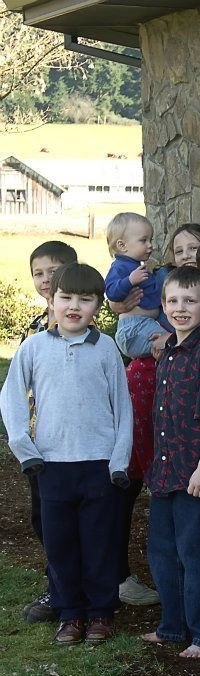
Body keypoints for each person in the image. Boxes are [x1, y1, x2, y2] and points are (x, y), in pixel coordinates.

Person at [0, 263, 133, 645]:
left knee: (98, 543)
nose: (74, 306)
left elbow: (122, 407)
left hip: (99, 465)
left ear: (98, 306)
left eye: (85, 299)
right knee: (60, 546)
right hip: (51, 465)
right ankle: (70, 613)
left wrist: (119, 460)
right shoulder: (34, 348)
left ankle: (101, 612)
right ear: (51, 300)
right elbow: (12, 397)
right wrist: (24, 448)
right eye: (66, 297)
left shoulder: (105, 348)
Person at [140, 265, 200, 659]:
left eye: (190, 301)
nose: (180, 307)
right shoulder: (168, 351)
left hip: (194, 470)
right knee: (162, 551)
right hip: (164, 471)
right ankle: (172, 626)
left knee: (197, 555)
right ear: (162, 304)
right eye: (173, 300)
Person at [19, 240, 78, 624]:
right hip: (37, 440)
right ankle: (58, 582)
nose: (45, 279)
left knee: (68, 522)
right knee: (43, 518)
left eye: (53, 272)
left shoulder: (78, 325)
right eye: (38, 273)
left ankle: (68, 590)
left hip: (72, 442)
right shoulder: (36, 327)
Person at [104, 212, 168, 359]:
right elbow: (111, 291)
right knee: (173, 344)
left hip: (142, 326)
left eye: (150, 240)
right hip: (134, 327)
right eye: (143, 240)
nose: (150, 245)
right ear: (122, 245)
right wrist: (130, 281)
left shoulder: (135, 266)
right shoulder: (120, 267)